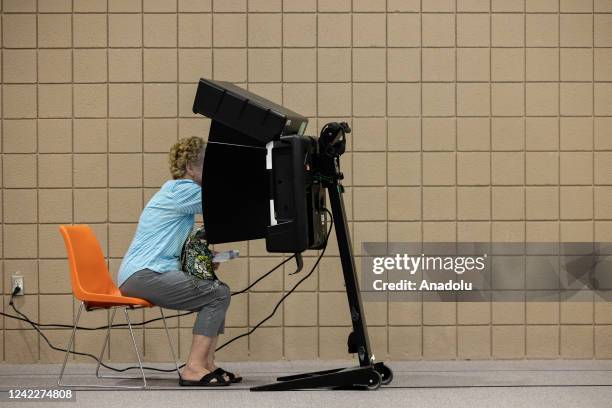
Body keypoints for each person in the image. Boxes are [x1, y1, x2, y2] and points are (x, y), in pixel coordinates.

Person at [118, 136, 240, 386]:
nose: (213, 172)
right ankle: (193, 367)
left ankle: (207, 364)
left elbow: (170, 249)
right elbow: (223, 205)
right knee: (218, 294)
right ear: (189, 168)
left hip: (144, 273)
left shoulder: (178, 194)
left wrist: (203, 261)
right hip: (144, 275)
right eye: (208, 165)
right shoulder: (182, 190)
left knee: (215, 291)